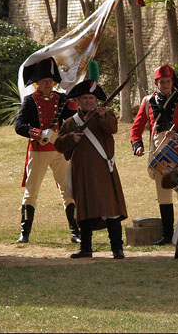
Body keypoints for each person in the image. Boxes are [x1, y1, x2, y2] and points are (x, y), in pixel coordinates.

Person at [54, 78, 127, 259]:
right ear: (78, 100)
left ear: (96, 101)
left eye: (91, 98)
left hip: (103, 170)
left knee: (111, 210)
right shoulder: (70, 123)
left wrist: (102, 116)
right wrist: (71, 138)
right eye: (85, 98)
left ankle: (117, 248)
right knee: (84, 211)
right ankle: (86, 248)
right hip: (82, 173)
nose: (88, 101)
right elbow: (59, 145)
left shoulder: (106, 115)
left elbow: (111, 128)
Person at [131, 63, 178, 246]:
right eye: (161, 82)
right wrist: (137, 145)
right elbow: (136, 127)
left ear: (172, 81)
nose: (165, 85)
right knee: (163, 192)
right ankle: (168, 235)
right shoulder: (148, 101)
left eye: (168, 81)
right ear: (156, 83)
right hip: (158, 150)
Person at [14, 57, 80, 244]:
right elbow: (19, 125)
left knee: (68, 190)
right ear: (37, 83)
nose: (48, 85)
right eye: (44, 82)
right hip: (38, 151)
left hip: (59, 150)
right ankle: (24, 232)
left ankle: (75, 231)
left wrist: (72, 104)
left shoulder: (61, 99)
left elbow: (72, 119)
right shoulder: (30, 101)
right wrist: (37, 132)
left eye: (50, 81)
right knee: (31, 191)